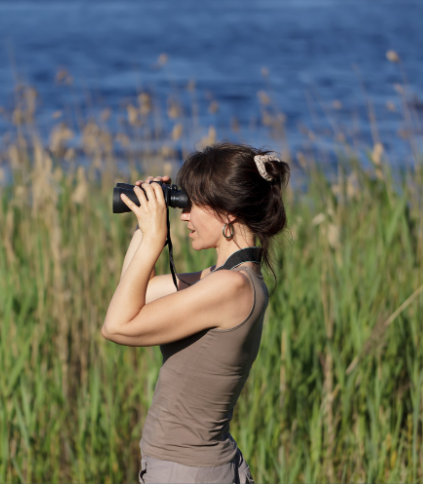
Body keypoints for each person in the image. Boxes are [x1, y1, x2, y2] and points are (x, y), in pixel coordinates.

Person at [101, 141, 290, 484]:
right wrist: (145, 227)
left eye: (192, 204)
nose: (184, 214)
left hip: (188, 472)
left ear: (227, 211)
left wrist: (156, 238)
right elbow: (134, 293)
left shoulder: (231, 288)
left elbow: (117, 326)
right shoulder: (222, 281)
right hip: (191, 468)